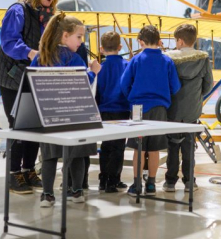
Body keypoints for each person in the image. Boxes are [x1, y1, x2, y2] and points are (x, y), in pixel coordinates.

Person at [0, 0, 57, 194]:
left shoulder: (47, 16)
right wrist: (29, 52)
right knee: (19, 125)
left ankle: (29, 170)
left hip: (32, 76)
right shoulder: (17, 11)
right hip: (11, 76)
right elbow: (8, 42)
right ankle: (13, 175)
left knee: (35, 126)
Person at [30, 13, 100, 207]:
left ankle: (47, 194)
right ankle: (76, 191)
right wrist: (93, 72)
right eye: (78, 37)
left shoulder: (41, 56)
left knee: (49, 156)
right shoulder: (75, 59)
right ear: (65, 36)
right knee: (76, 154)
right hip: (72, 115)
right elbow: (82, 85)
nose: (80, 42)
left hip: (47, 115)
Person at [121, 25, 180, 196]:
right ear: (159, 41)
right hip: (160, 109)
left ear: (141, 42)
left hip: (138, 107)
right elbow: (175, 87)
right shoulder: (167, 61)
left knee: (139, 148)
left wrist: (132, 97)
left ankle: (137, 184)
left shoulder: (136, 60)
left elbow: (124, 84)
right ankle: (152, 184)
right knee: (154, 149)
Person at [163, 24, 213, 193]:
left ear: (181, 41)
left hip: (173, 109)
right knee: (189, 147)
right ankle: (189, 181)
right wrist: (197, 97)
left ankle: (170, 182)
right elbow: (208, 85)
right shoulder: (203, 58)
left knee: (172, 146)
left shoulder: (169, 58)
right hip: (193, 110)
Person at [95, 31, 130, 193]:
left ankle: (103, 178)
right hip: (121, 110)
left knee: (106, 145)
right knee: (118, 147)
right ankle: (113, 180)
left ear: (101, 49)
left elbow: (98, 90)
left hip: (104, 111)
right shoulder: (126, 66)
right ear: (120, 46)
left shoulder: (100, 68)